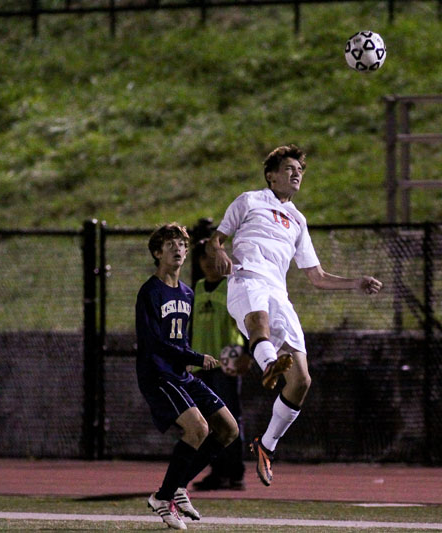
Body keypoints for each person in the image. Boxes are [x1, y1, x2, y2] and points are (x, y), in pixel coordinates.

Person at [205, 144, 383, 487]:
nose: (297, 173)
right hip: (246, 279)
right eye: (289, 169)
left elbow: (316, 276)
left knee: (301, 381)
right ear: (271, 176)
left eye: (299, 170)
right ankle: (269, 363)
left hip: (279, 293)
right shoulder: (249, 200)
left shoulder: (299, 220)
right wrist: (219, 252)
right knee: (259, 323)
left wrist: (355, 283)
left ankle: (267, 445)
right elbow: (215, 240)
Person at [136, 223, 239, 530]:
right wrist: (196, 357)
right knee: (197, 428)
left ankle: (177, 487)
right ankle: (163, 499)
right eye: (171, 245)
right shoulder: (150, 291)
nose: (179, 249)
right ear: (157, 253)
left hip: (181, 374)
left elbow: (179, 340)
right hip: (158, 374)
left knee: (228, 429)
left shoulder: (188, 292)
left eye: (182, 244)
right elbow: (154, 342)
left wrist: (190, 362)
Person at [190, 239, 248, 491]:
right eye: (203, 257)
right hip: (202, 364)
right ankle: (217, 471)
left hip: (226, 362)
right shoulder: (198, 288)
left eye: (213, 256)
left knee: (230, 418)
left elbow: (249, 320)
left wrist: (247, 352)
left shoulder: (233, 286)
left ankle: (235, 472)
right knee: (209, 421)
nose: (209, 263)